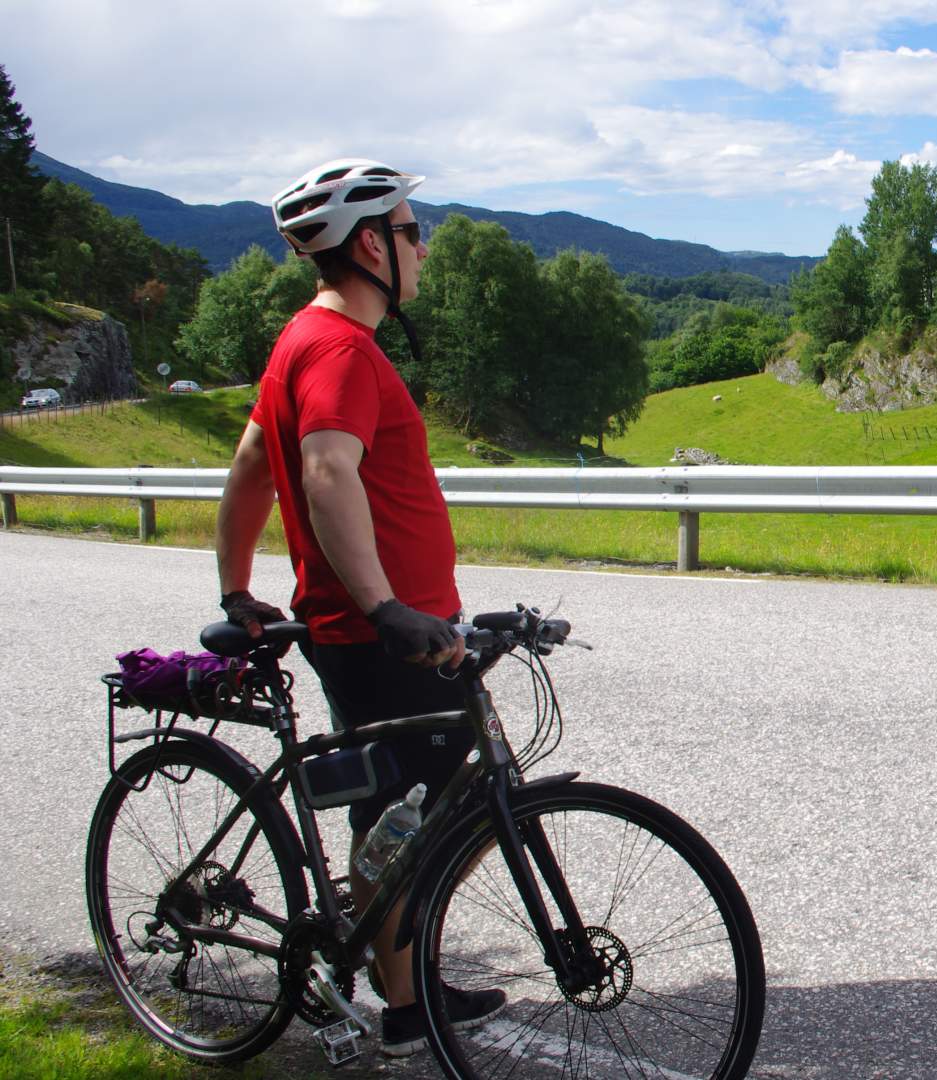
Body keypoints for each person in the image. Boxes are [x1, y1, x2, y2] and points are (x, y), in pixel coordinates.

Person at [213, 158, 504, 1057]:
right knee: (437, 808)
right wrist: (385, 608)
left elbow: (251, 468)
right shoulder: (339, 348)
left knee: (410, 808)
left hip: (391, 628)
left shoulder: (302, 340)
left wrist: (234, 585)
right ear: (373, 244)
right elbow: (325, 469)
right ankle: (405, 998)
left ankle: (396, 964)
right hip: (387, 636)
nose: (424, 246)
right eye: (415, 230)